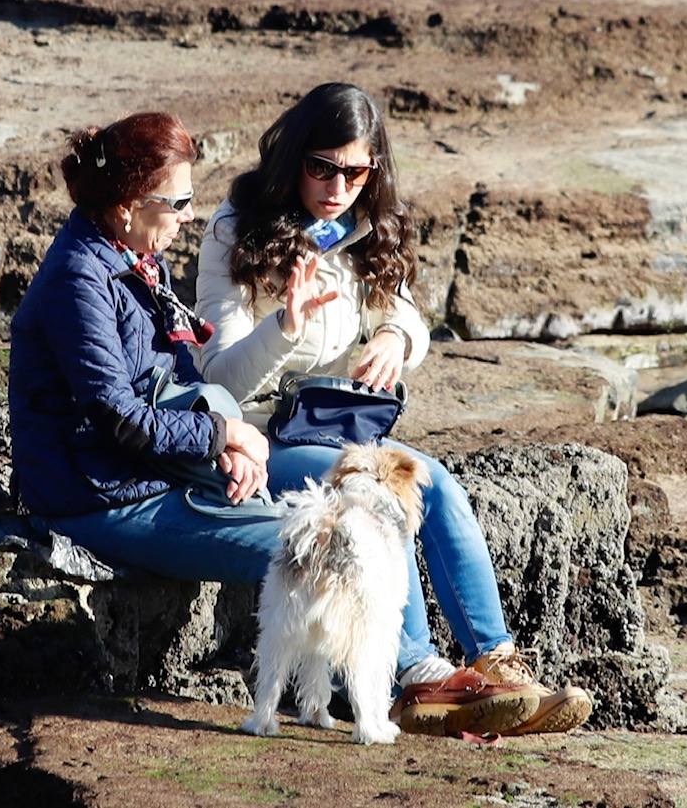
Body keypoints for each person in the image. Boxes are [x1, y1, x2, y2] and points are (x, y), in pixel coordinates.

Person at [9, 111, 536, 738]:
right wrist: (222, 435)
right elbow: (117, 415)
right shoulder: (79, 278)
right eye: (175, 203)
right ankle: (412, 680)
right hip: (100, 498)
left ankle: (452, 670)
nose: (183, 218)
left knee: (357, 520)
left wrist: (222, 439)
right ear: (129, 202)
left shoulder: (129, 257)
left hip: (154, 473)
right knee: (320, 541)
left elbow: (185, 380)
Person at [195, 83, 593, 735]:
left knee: (433, 481)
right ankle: (417, 674)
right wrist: (285, 328)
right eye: (321, 166)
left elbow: (405, 310)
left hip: (341, 429)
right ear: (293, 156)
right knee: (375, 494)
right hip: (263, 437)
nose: (336, 185)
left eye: (354, 170)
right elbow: (220, 378)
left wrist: (392, 336)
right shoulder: (234, 229)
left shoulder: (365, 227)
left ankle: (496, 664)